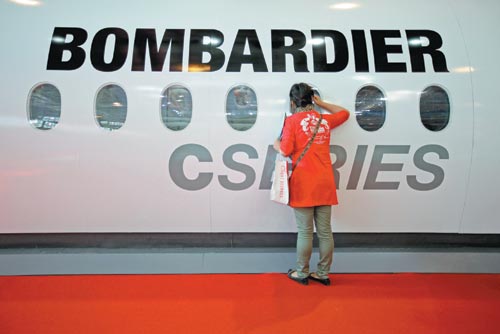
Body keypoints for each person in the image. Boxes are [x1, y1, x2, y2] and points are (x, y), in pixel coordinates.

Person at [273, 83, 350, 286]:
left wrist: (275, 144)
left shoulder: (292, 121)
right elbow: (344, 113)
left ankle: (302, 272)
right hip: (324, 181)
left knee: (305, 231)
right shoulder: (324, 120)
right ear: (311, 99)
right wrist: (321, 103)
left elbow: (285, 150)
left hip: (303, 182)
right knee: (325, 231)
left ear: (292, 102)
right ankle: (323, 273)